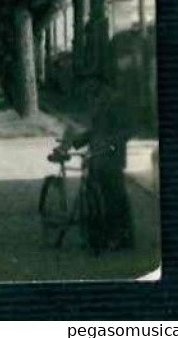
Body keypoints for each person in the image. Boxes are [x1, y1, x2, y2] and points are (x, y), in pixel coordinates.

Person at [56, 80, 135, 250]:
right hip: (96, 157)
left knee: (114, 198)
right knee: (97, 198)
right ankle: (100, 237)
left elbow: (127, 130)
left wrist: (111, 143)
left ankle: (122, 238)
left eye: (92, 90)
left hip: (111, 158)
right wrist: (73, 143)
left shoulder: (116, 102)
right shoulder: (99, 104)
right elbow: (94, 131)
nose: (90, 97)